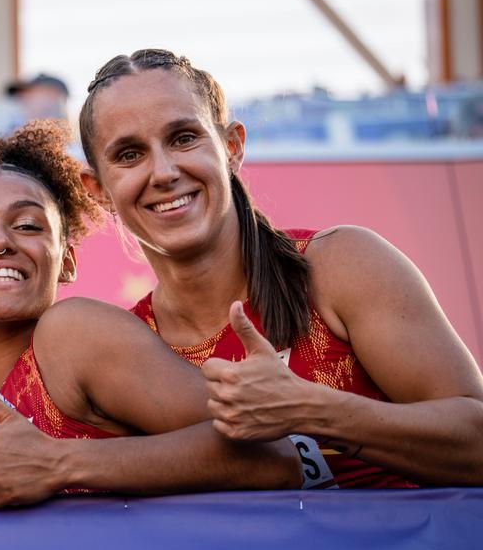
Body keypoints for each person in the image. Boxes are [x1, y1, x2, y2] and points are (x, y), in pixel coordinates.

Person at [78, 49, 483, 487]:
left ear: (231, 147)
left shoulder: (340, 266)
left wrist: (309, 409)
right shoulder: (129, 349)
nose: (163, 172)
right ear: (98, 189)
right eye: (129, 154)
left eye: (183, 138)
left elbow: (475, 440)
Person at [0, 121, 299, 508]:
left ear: (67, 261)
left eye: (27, 225)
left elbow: (274, 456)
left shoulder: (73, 334)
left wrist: (59, 463)